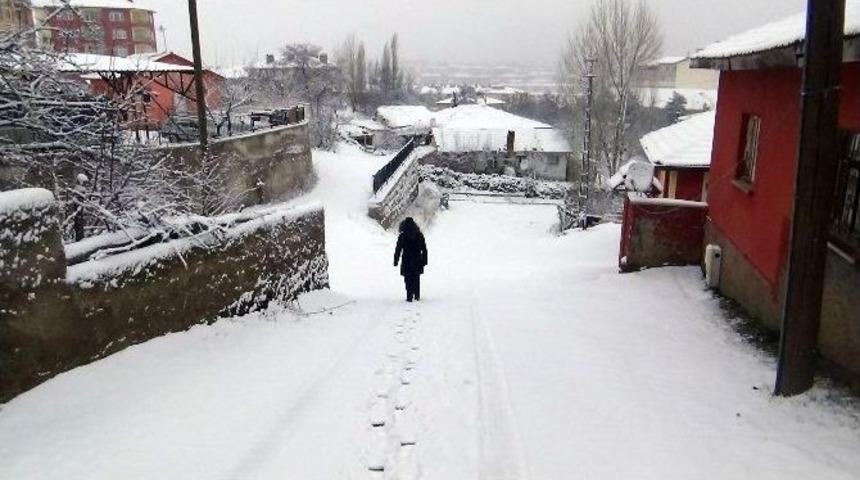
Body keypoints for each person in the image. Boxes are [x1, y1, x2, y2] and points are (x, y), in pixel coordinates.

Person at [393, 217, 428, 302]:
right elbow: (424, 249)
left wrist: (396, 260)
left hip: (406, 260)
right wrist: (424, 260)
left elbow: (398, 249)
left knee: (407, 279)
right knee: (416, 278)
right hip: (417, 260)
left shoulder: (402, 236)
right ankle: (416, 295)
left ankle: (409, 296)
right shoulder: (419, 235)